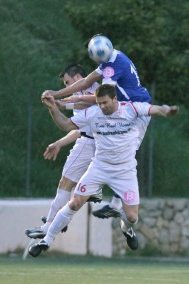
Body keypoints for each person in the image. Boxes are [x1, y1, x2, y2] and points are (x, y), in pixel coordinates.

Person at [28, 84, 179, 257]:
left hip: (125, 171)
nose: (102, 106)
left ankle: (127, 229)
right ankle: (46, 240)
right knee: (75, 202)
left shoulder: (131, 109)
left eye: (105, 102)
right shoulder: (93, 113)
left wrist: (167, 110)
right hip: (99, 167)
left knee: (131, 217)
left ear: (115, 99)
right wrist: (53, 108)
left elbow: (154, 109)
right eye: (99, 103)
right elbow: (65, 125)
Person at [41, 34, 152, 219]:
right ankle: (105, 197)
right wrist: (58, 94)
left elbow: (100, 96)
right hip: (126, 111)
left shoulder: (113, 66)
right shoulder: (113, 58)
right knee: (118, 152)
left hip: (138, 111)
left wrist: (68, 100)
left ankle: (116, 204)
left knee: (126, 153)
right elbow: (85, 82)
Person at [25, 63, 103, 239]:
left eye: (68, 83)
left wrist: (57, 103)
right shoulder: (87, 95)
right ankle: (59, 219)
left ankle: (49, 225)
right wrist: (60, 143)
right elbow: (79, 127)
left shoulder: (96, 93)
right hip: (96, 144)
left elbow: (73, 120)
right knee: (73, 188)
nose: (68, 87)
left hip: (89, 145)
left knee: (65, 184)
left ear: (77, 78)